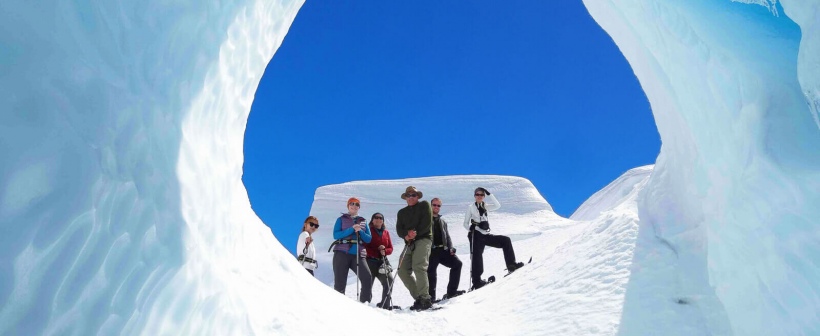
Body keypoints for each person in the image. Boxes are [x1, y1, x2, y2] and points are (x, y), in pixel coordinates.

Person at [464, 187, 525, 290]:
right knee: (476, 258)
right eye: (477, 194)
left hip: (486, 235)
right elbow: (465, 223)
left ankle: (511, 265)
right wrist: (471, 228)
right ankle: (477, 282)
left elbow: (498, 205)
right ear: (474, 196)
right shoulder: (470, 207)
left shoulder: (486, 206)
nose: (479, 196)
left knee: (505, 240)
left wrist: (489, 194)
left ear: (483, 196)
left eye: (481, 195)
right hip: (476, 235)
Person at [395, 186, 434, 310]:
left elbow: (426, 223)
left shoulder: (424, 205)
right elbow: (399, 229)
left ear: (418, 196)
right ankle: (419, 298)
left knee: (419, 267)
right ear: (405, 197)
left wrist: (414, 233)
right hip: (409, 242)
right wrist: (406, 235)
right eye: (408, 195)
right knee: (402, 270)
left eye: (413, 195)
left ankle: (425, 298)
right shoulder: (401, 212)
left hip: (423, 239)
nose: (411, 197)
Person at [331, 197, 373, 303]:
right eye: (352, 203)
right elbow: (336, 235)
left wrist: (361, 232)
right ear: (348, 206)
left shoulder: (363, 221)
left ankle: (365, 304)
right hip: (341, 252)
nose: (354, 206)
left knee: (367, 278)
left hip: (358, 254)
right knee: (340, 282)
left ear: (359, 207)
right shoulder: (341, 219)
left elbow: (368, 239)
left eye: (357, 204)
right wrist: (351, 229)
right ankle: (339, 305)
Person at [427, 197, 464, 301]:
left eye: (438, 205)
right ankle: (431, 299)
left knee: (457, 264)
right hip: (431, 251)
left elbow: (447, 236)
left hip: (443, 250)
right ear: (430, 206)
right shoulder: (425, 220)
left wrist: (451, 248)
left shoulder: (442, 221)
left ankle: (451, 292)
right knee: (431, 273)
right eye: (434, 205)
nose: (436, 207)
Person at [363, 212, 395, 308]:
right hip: (370, 261)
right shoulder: (368, 231)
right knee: (368, 284)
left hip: (382, 262)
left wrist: (384, 251)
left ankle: (385, 305)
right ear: (372, 220)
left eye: (380, 218)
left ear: (383, 221)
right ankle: (364, 304)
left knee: (389, 280)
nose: (378, 219)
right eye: (376, 217)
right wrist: (378, 250)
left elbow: (390, 248)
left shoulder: (386, 233)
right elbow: (364, 246)